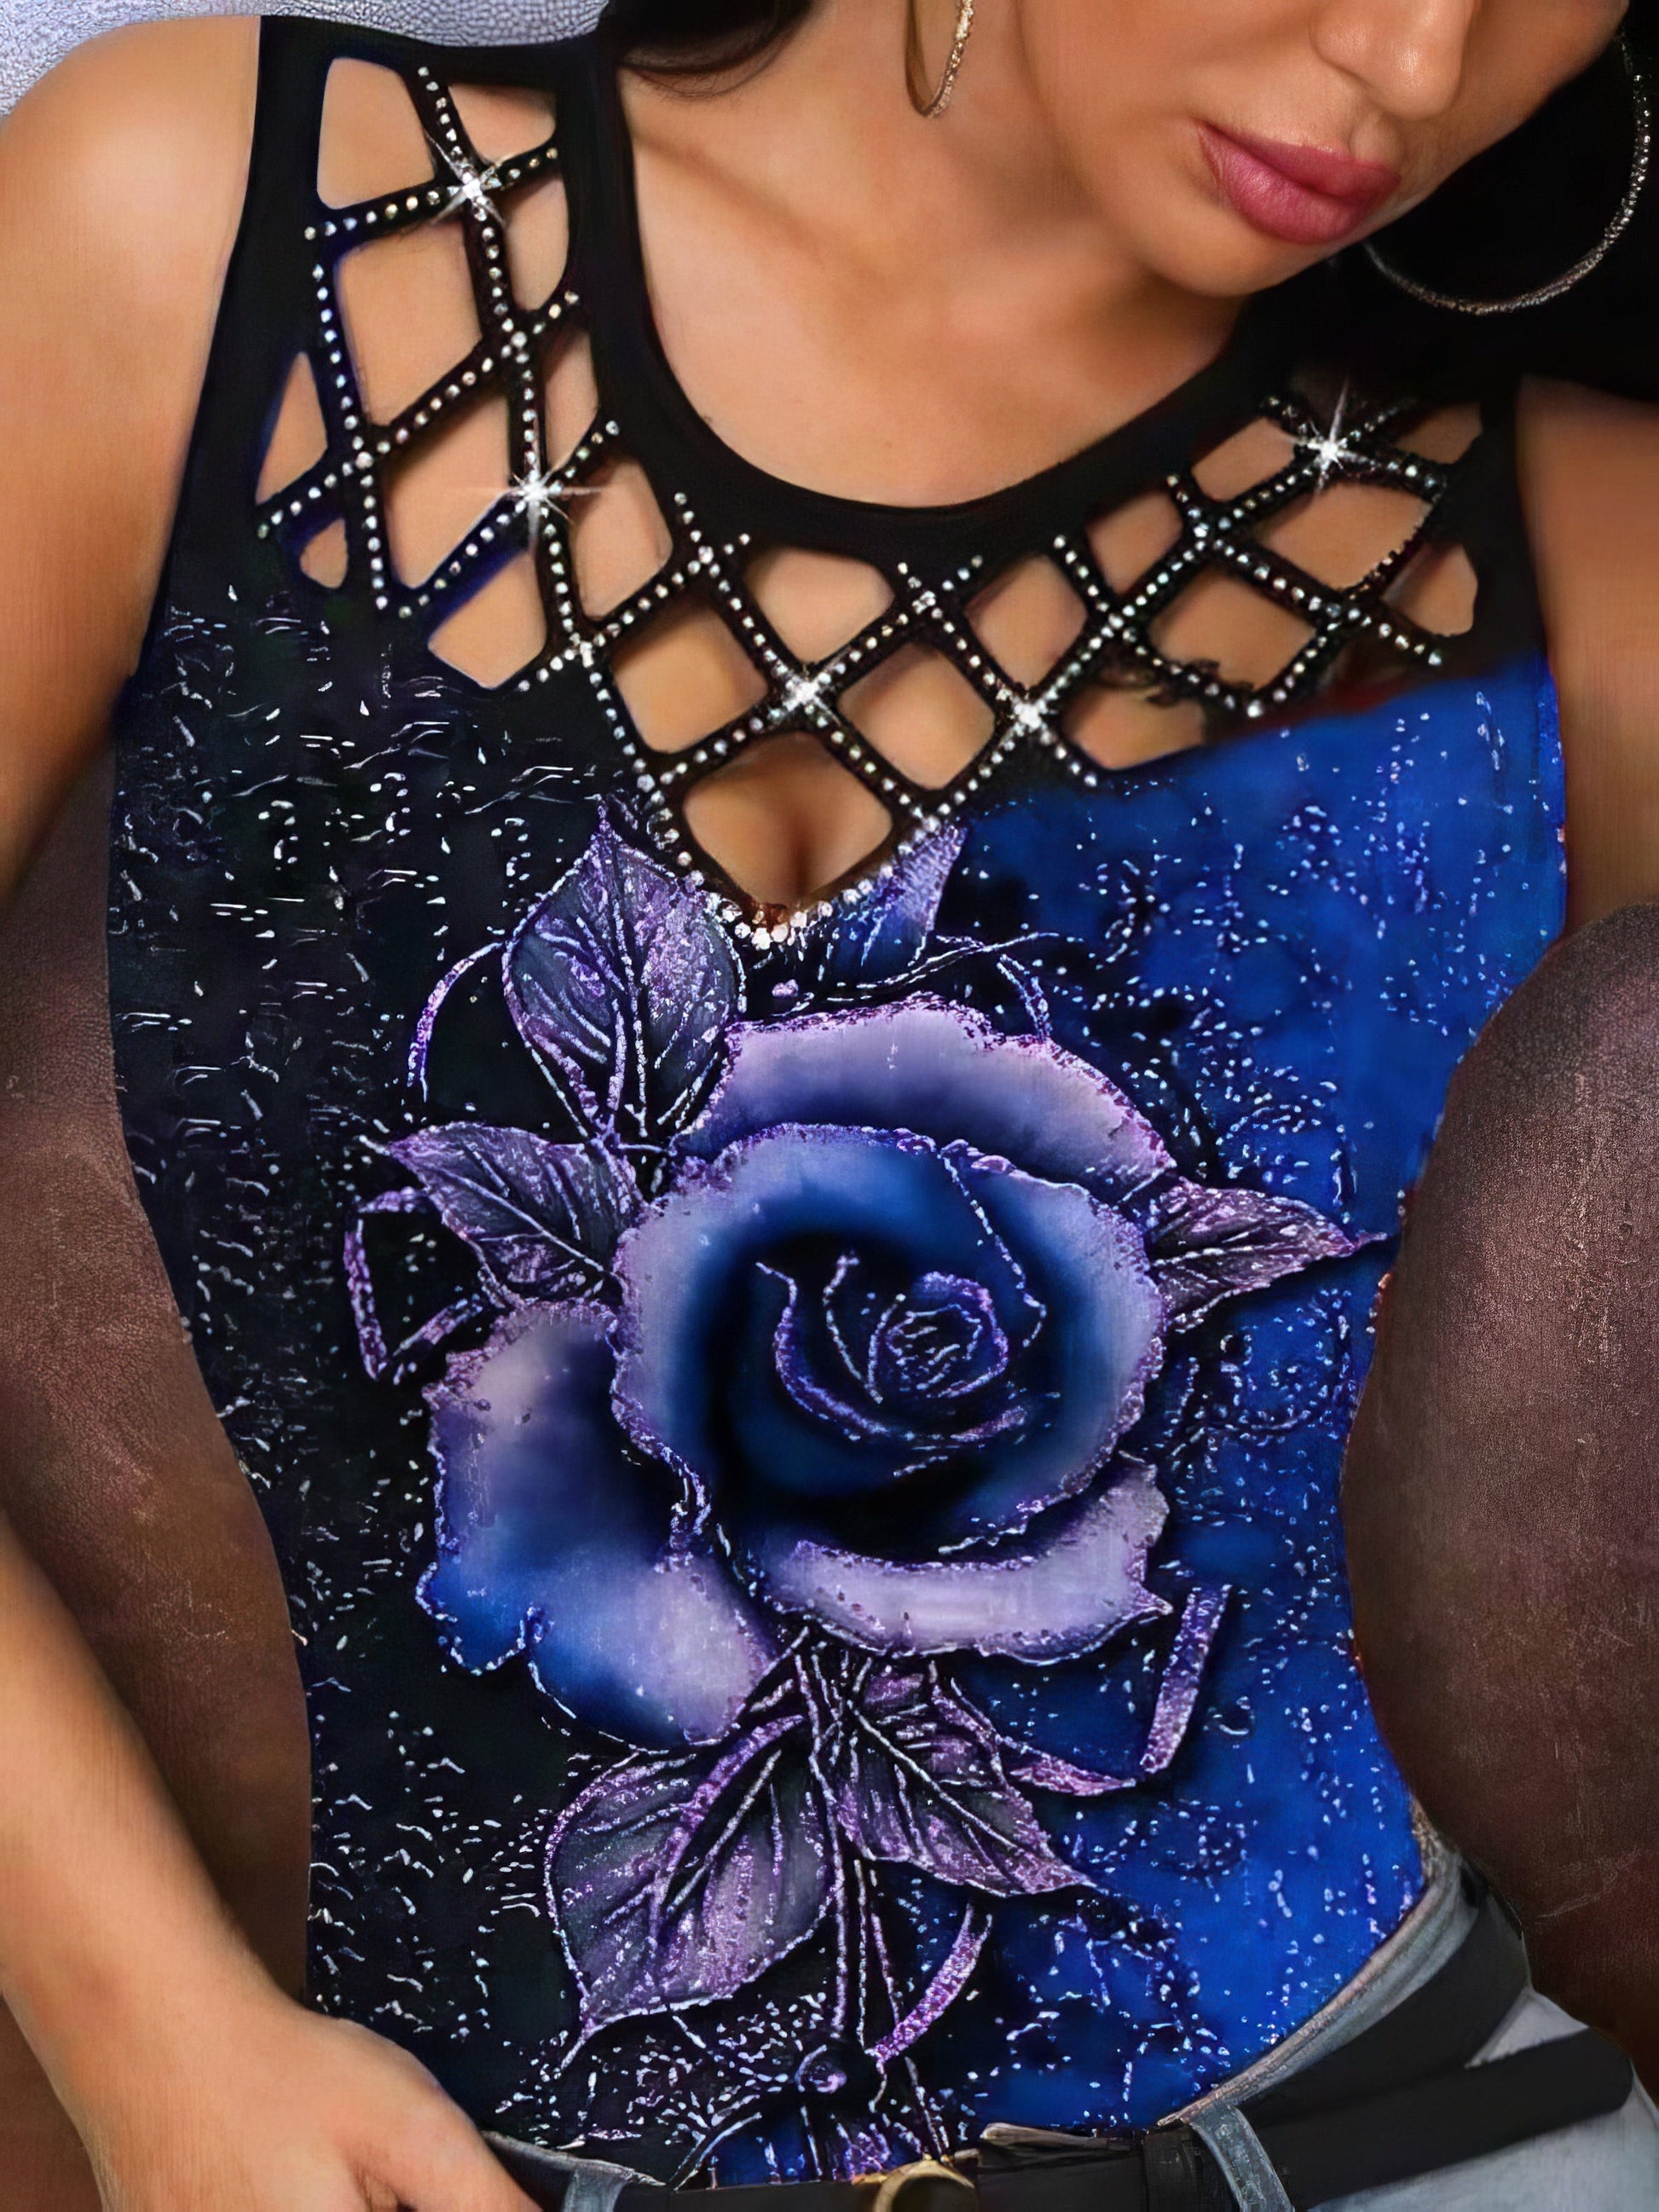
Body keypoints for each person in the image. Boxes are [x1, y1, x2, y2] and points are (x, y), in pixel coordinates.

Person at [2, 2, 1658, 2206]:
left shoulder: (1593, 535)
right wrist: (152, 2036)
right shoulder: (213, 232)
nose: (1418, 57)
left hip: (1409, 2145)